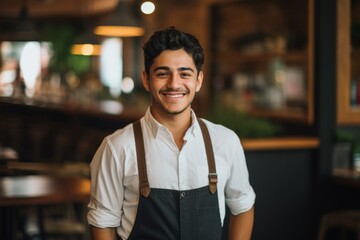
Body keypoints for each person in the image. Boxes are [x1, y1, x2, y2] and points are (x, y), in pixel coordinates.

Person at [87, 26, 256, 240]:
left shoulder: (225, 141)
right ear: (147, 80)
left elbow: (242, 207)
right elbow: (102, 224)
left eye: (184, 74)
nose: (174, 84)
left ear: (198, 81)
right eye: (162, 74)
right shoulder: (116, 147)